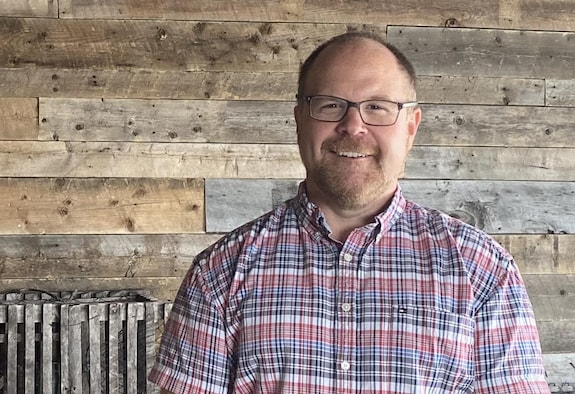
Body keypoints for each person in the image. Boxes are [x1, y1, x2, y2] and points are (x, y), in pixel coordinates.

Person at [149, 31, 550, 393]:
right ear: (299, 121)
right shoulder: (220, 272)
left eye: (377, 107)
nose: (353, 126)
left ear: (410, 127)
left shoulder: (482, 268)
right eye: (330, 105)